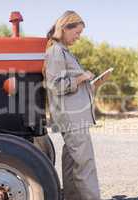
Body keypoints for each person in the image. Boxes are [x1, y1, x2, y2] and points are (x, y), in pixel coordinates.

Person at [44, 10, 101, 200]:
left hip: (73, 116)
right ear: (65, 28)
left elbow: (69, 86)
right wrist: (82, 77)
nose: (78, 37)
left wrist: (90, 84)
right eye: (76, 33)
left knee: (71, 163)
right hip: (72, 118)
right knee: (85, 164)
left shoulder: (63, 52)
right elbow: (55, 86)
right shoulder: (56, 52)